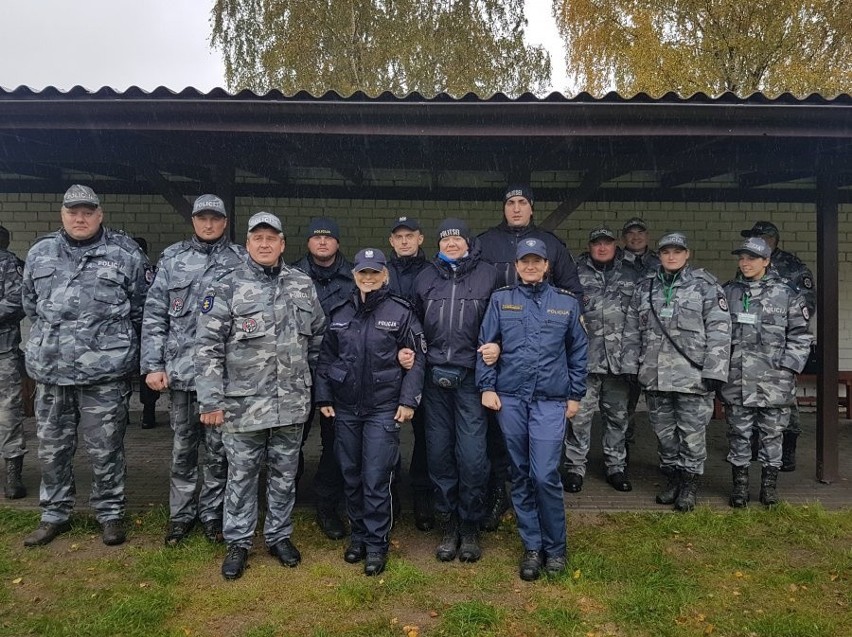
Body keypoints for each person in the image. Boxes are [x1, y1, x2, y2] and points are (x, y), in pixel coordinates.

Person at [196, 212, 325, 580]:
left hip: (291, 402)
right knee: (241, 474)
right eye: (258, 238)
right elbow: (206, 347)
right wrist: (211, 401)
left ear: (282, 244)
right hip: (242, 404)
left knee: (285, 474)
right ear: (248, 244)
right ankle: (238, 542)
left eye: (272, 238)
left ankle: (279, 535)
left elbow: (317, 337)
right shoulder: (226, 285)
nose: (265, 244)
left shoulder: (302, 284)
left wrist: (313, 386)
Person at [21, 185, 151, 546]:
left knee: (106, 447)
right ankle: (54, 514)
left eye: (87, 212)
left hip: (104, 374)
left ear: (100, 214)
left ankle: (110, 514)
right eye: (73, 211)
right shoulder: (40, 252)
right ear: (62, 214)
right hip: (52, 372)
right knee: (51, 447)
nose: (80, 218)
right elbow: (30, 304)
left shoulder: (125, 254)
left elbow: (140, 308)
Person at [477, 238, 587, 581]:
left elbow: (578, 352)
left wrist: (575, 395)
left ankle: (556, 547)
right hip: (510, 398)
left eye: (536, 261)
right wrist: (487, 386)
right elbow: (487, 343)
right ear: (516, 265)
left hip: (550, 400)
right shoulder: (501, 300)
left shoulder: (566, 305)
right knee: (521, 474)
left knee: (544, 475)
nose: (530, 266)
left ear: (546, 265)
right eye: (524, 261)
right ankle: (533, 546)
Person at [140, 195, 245, 546]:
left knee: (218, 453)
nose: (209, 224)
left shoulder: (241, 259)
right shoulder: (172, 258)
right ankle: (181, 517)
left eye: (216, 218)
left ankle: (212, 516)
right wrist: (153, 365)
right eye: (202, 217)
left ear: (225, 221)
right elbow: (155, 315)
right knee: (183, 451)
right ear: (194, 220)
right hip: (183, 374)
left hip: (223, 377)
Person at [316, 248, 426, 576]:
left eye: (374, 273)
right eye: (362, 273)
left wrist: (408, 401)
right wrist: (324, 398)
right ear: (355, 276)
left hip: (383, 408)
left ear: (385, 275)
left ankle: (377, 543)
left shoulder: (401, 312)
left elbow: (418, 359)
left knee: (376, 476)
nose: (368, 278)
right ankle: (359, 536)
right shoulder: (339, 312)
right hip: (347, 408)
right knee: (351, 473)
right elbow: (325, 360)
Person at [622, 232, 731, 512]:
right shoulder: (645, 287)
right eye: (666, 251)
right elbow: (633, 331)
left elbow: (720, 331)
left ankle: (689, 486)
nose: (672, 256)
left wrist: (715, 371)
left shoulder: (705, 286)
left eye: (677, 251)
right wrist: (632, 365)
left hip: (692, 377)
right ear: (659, 255)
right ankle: (672, 479)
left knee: (692, 435)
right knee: (664, 434)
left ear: (687, 254)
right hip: (655, 376)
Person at [413, 218, 499, 563]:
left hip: (471, 378)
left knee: (473, 457)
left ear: (468, 242)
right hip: (434, 379)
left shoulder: (489, 275)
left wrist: (498, 347)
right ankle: (447, 524)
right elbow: (413, 324)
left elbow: (501, 321)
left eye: (457, 239)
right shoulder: (425, 277)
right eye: (445, 239)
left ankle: (470, 526)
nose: (451, 244)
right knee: (438, 454)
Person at [721, 237, 812, 507]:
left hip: (775, 380)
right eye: (742, 257)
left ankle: (769, 489)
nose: (745, 263)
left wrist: (788, 367)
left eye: (751, 258)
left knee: (773, 436)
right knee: (738, 435)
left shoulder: (787, 293)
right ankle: (740, 488)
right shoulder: (729, 292)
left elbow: (801, 336)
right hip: (737, 379)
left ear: (766, 261)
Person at [561, 227, 639, 493]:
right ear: (590, 245)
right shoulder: (575, 273)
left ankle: (616, 467)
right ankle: (574, 468)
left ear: (615, 245)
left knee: (617, 418)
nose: (602, 248)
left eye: (607, 243)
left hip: (619, 362)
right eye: (597, 243)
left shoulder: (631, 273)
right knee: (578, 418)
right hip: (584, 360)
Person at [292, 217, 355, 540]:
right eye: (316, 237)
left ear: (337, 243)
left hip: (338, 372)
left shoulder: (354, 278)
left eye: (328, 237)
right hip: (297, 371)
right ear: (308, 243)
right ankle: (286, 498)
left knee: (335, 442)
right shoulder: (290, 276)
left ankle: (328, 505)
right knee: (292, 439)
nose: (322, 242)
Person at [739, 221, 814, 472]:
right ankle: (753, 447)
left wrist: (790, 363)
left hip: (777, 349)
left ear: (773, 240)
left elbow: (805, 309)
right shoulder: (746, 267)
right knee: (748, 401)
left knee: (785, 406)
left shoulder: (792, 267)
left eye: (760, 238)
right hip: (750, 349)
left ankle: (787, 450)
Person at [386, 216, 433, 531]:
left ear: (421, 238)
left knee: (425, 436)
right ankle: (387, 496)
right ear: (391, 241)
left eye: (409, 236)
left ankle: (422, 496)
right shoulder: (381, 273)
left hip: (423, 361)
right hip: (387, 364)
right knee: (385, 432)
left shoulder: (432, 274)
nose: (404, 241)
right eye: (398, 236)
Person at [620, 217, 660, 446]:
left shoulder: (659, 262)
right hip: (626, 338)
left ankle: (669, 456)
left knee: (658, 402)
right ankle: (625, 440)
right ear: (624, 237)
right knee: (625, 397)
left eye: (640, 232)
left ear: (647, 235)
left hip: (654, 338)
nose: (636, 237)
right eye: (631, 233)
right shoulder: (616, 262)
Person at [0, 224, 26, 499]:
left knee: (8, 414)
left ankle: (13, 475)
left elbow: (18, 302)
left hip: (3, 352)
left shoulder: (8, 264)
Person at [133, 236, 160, 429]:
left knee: (146, 374)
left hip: (144, 327)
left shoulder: (149, 272)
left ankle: (148, 412)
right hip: (124, 330)